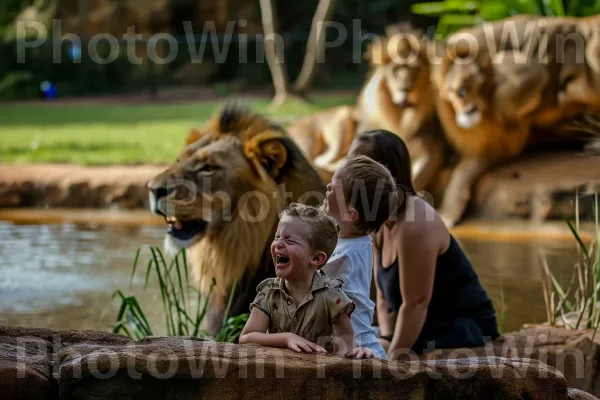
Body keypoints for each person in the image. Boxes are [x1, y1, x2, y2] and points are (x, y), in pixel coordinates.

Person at [346, 129, 500, 361]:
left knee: (362, 353)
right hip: (416, 324)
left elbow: (416, 303)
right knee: (347, 342)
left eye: (355, 163)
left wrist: (391, 359)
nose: (346, 171)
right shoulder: (380, 221)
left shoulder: (415, 222)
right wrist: (386, 338)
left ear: (383, 170)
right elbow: (384, 299)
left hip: (459, 327)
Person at [239, 202, 376, 359]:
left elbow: (345, 349)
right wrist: (287, 337)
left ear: (316, 258)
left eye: (290, 241)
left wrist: (359, 352)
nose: (278, 244)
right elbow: (246, 338)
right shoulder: (269, 292)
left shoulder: (332, 296)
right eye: (277, 237)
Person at [320, 154, 400, 360]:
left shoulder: (347, 254)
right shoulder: (355, 241)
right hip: (353, 339)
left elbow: (313, 284)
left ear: (350, 214)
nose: (327, 188)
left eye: (334, 187)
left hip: (358, 346)